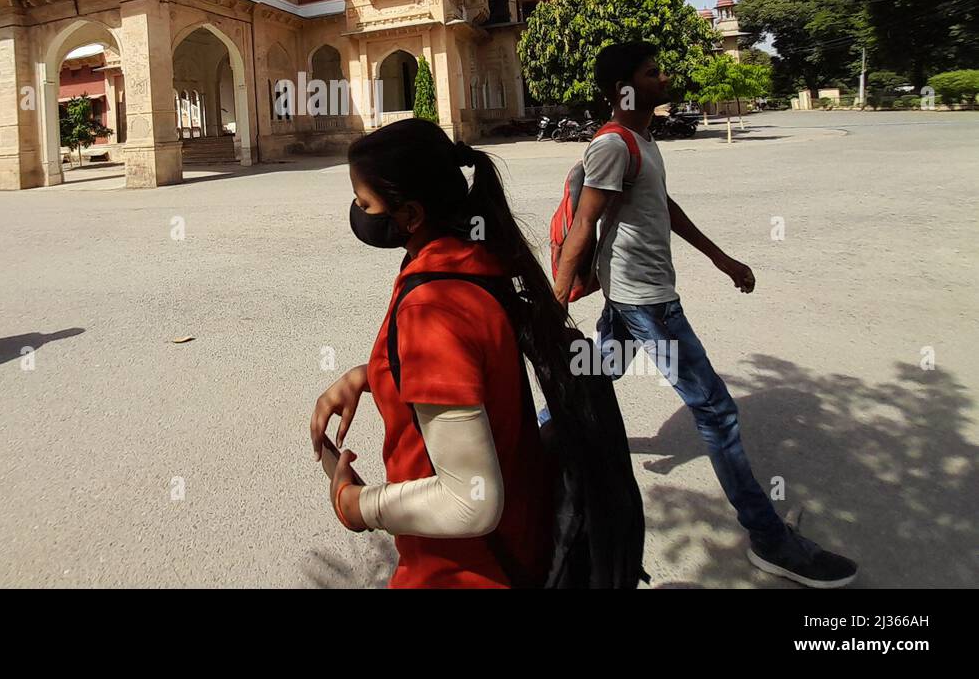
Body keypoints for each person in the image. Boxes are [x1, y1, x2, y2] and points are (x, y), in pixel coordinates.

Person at [551, 40, 857, 588]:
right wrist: (554, 307)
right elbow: (581, 228)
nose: (665, 78)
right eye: (652, 72)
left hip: (636, 294)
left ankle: (527, 440)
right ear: (624, 88)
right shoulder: (612, 146)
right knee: (716, 412)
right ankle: (769, 539)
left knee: (598, 372)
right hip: (645, 299)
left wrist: (721, 258)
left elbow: (663, 208)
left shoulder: (641, 140)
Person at [310, 118, 644, 588]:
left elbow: (471, 500)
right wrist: (376, 373)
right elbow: (473, 366)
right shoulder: (468, 259)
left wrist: (356, 505)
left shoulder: (433, 306)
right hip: (518, 540)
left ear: (409, 216)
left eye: (365, 203)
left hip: (461, 570)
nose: (359, 213)